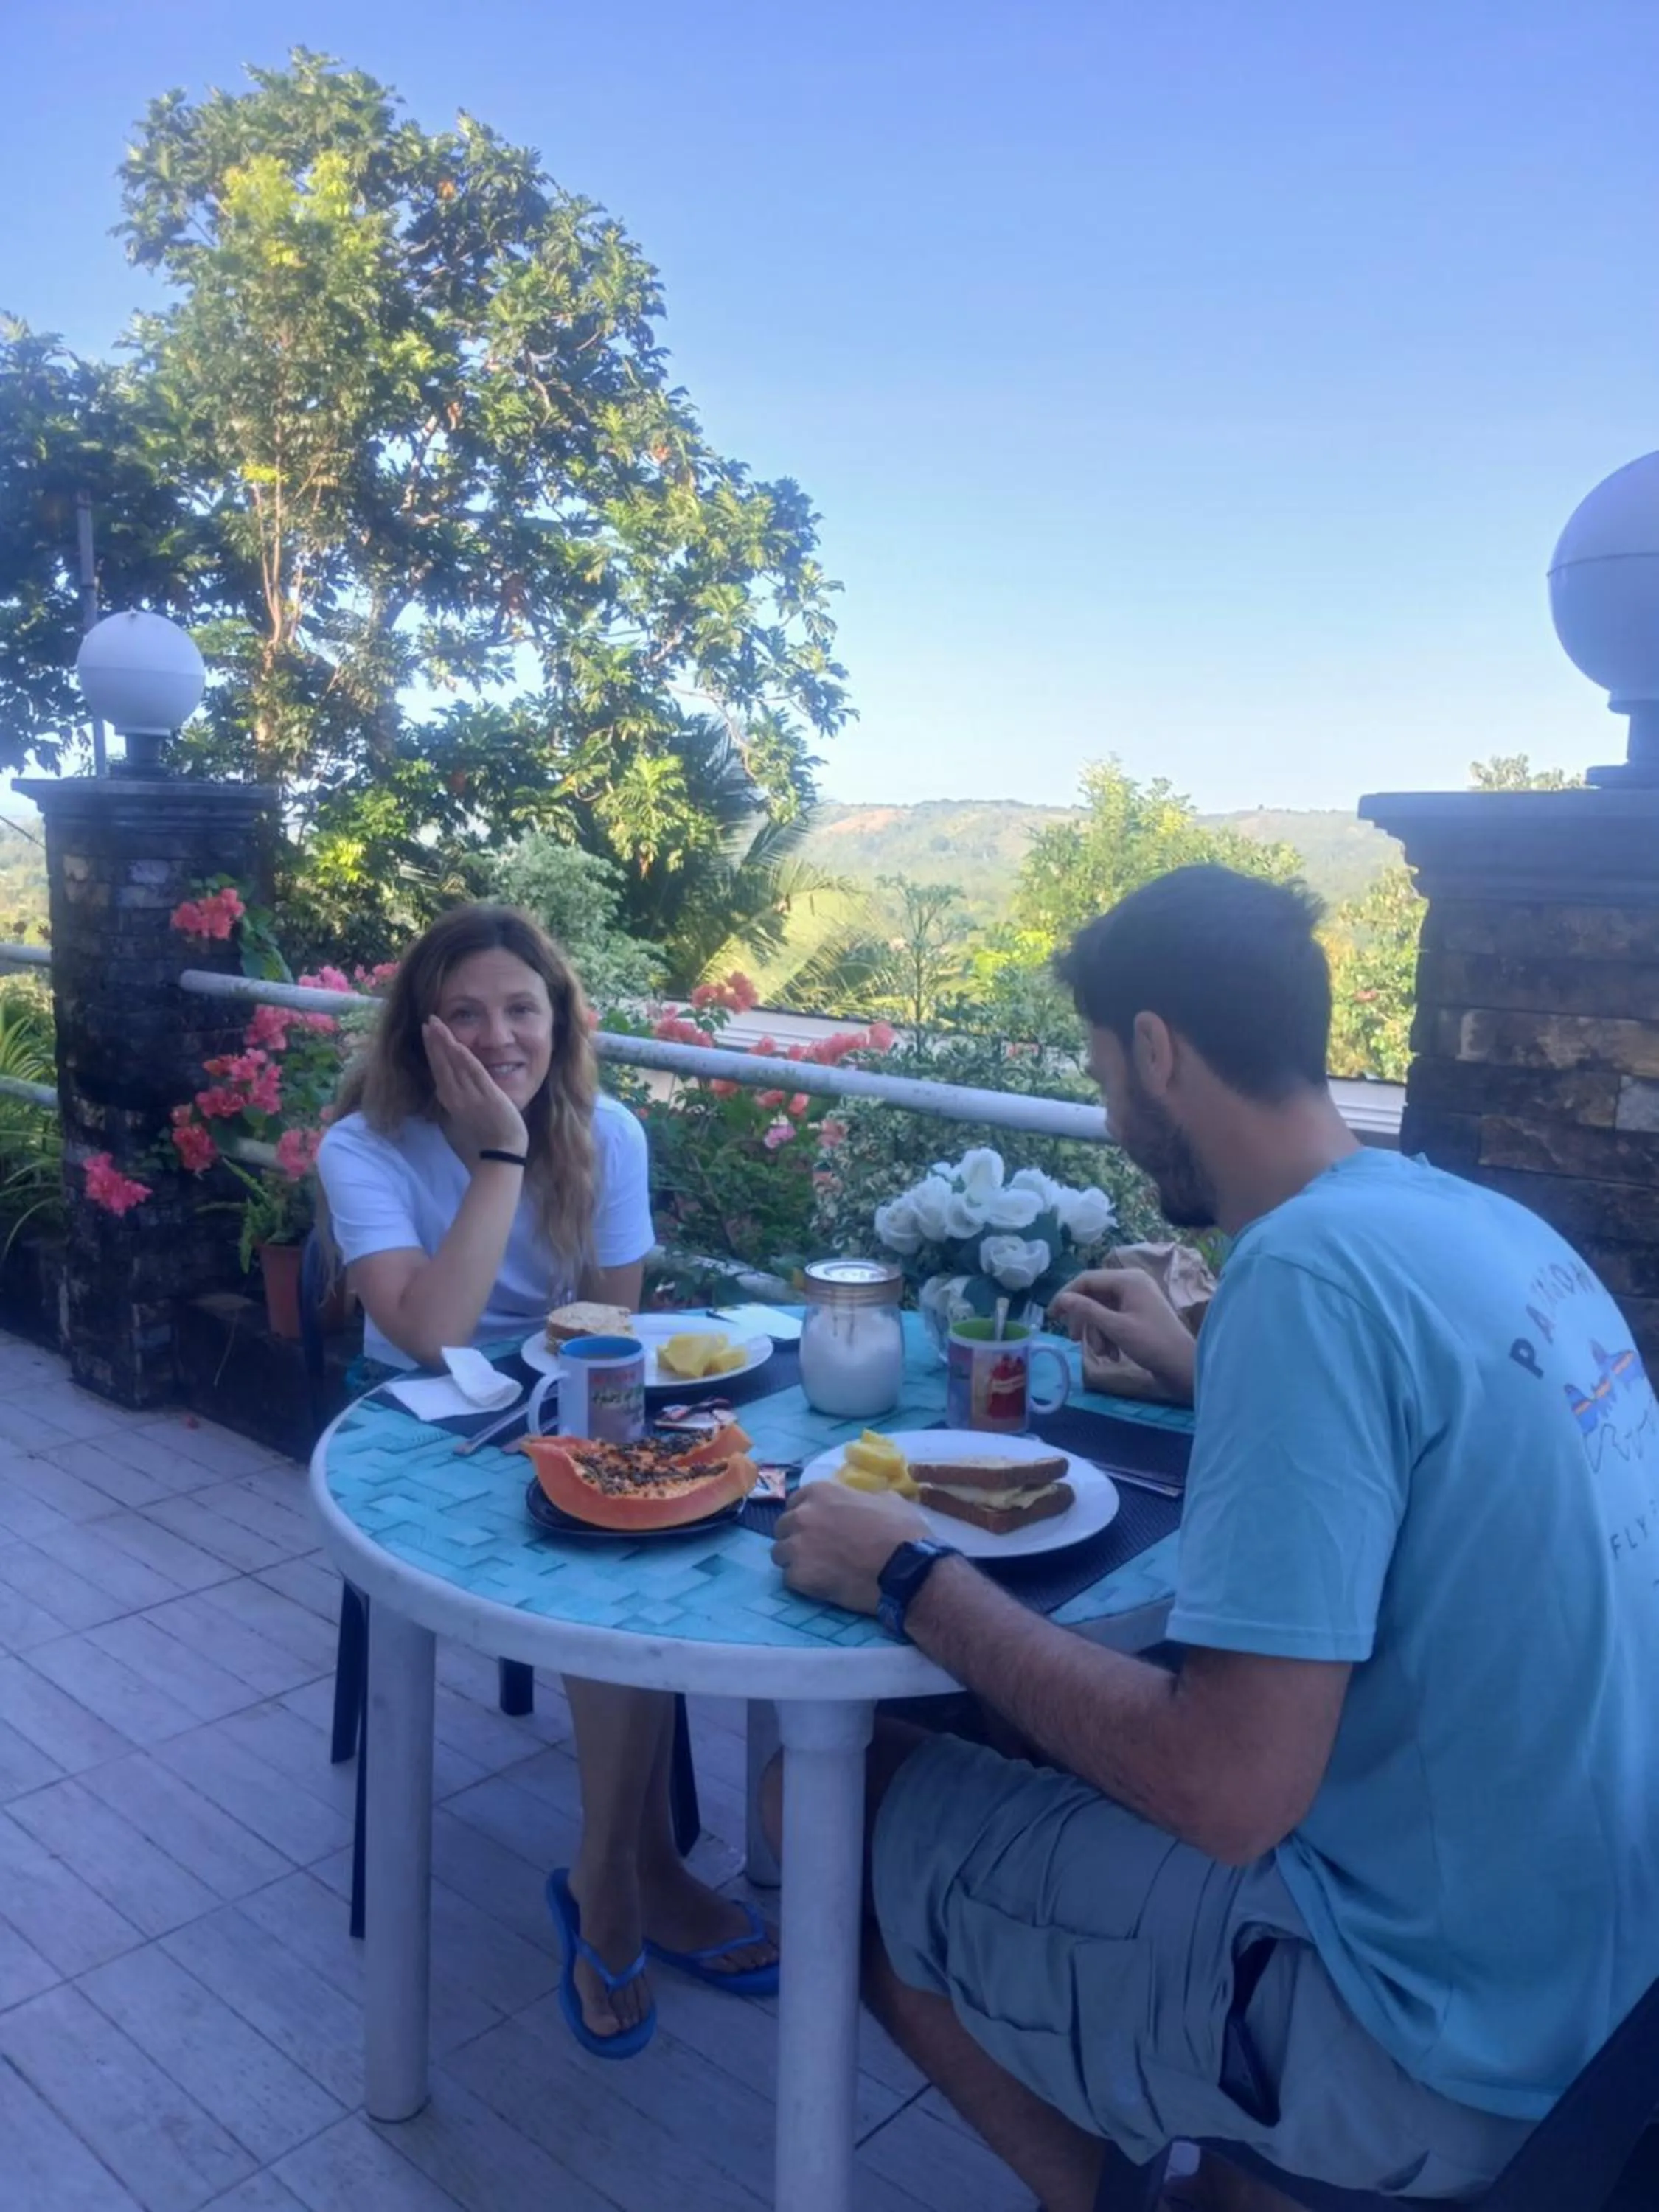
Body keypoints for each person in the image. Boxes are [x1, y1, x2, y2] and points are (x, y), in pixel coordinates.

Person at [769, 865, 1659, 2210]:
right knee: (1017, 1732)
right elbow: (1434, 1462)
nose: (1110, 1110)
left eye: (1101, 1070)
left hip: (1428, 2035)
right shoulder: (1470, 1220)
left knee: (815, 1801)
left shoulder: (1299, 1277)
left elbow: (1227, 1788)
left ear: (1155, 1049)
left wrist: (903, 1573)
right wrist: (1209, 1376)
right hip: (1594, 1993)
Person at [318, 903, 776, 2058]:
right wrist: (502, 1158)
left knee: (648, 1536)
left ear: (559, 1018)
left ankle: (624, 1872)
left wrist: (582, 1425)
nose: (499, 1036)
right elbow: (431, 1333)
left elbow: (609, 1329)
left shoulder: (609, 1132)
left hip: (567, 1398)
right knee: (599, 1549)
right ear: (422, 1032)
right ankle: (631, 1884)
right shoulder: (363, 1146)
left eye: (522, 1009)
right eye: (465, 1014)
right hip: (413, 1427)